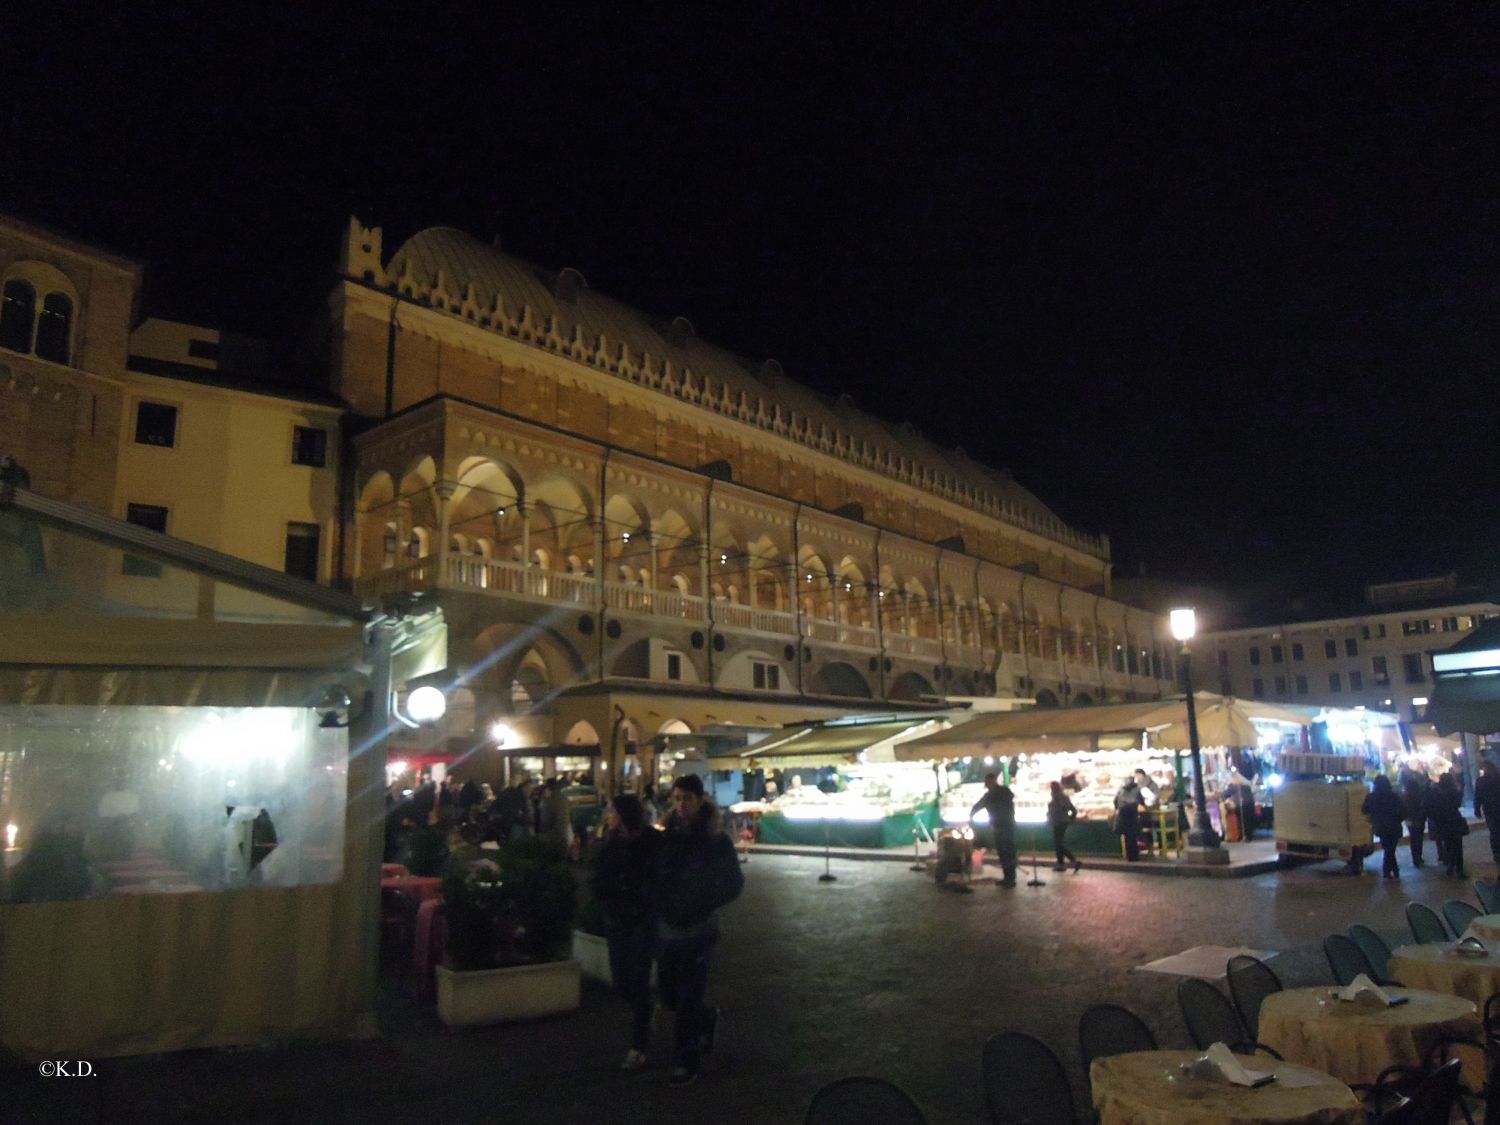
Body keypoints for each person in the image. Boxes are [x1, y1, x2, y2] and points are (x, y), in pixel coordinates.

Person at [652, 774, 744, 1088]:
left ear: (700, 800)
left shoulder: (715, 840)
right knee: (669, 996)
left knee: (689, 995)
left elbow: (733, 883)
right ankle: (706, 1017)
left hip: (699, 929)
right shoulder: (663, 836)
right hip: (667, 928)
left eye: (687, 798)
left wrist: (703, 903)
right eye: (676, 798)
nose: (681, 805)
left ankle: (685, 1059)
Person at [590, 794, 661, 1070]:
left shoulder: (653, 841)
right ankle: (645, 1012)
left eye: (613, 810)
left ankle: (638, 1045)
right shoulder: (610, 842)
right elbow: (598, 875)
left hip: (643, 918)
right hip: (617, 917)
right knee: (621, 981)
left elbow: (659, 876)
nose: (609, 815)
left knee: (640, 979)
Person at [970, 772, 1018, 887]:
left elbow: (977, 807)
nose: (986, 785)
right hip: (1006, 826)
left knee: (1005, 852)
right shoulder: (1002, 792)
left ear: (991, 782)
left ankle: (1009, 878)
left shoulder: (993, 794)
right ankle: (1009, 877)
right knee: (1007, 852)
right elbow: (977, 806)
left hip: (1002, 827)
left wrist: (971, 816)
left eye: (987, 782)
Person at [1362, 775, 1406, 879]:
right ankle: (1392, 870)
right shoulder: (1394, 796)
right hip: (1394, 826)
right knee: (1390, 849)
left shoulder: (1372, 797)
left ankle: (1390, 870)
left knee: (1388, 848)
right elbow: (1403, 811)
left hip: (1381, 827)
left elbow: (1364, 809)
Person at [1426, 772, 1467, 878]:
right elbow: (1458, 802)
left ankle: (1450, 865)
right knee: (1457, 845)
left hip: (1442, 821)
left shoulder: (1436, 792)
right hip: (1454, 819)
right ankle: (1459, 868)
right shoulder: (1454, 791)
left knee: (1447, 844)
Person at [1047, 780, 1081, 873]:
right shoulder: (1064, 797)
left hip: (1058, 822)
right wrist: (1070, 818)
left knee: (1058, 844)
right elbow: (1072, 810)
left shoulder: (1057, 798)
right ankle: (1062, 862)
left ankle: (1070, 861)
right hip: (1062, 822)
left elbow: (1056, 810)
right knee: (1059, 843)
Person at [1401, 769, 1430, 868]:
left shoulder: (1405, 796)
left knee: (1413, 838)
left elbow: (1404, 809)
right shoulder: (1420, 795)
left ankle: (1415, 858)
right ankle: (1419, 856)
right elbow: (1424, 807)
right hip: (1419, 819)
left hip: (1410, 820)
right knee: (1419, 838)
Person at [1114, 775, 1144, 861]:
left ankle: (1129, 856)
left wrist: (1117, 808)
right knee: (1133, 834)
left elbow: (1115, 800)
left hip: (1123, 813)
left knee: (1127, 835)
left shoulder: (1121, 789)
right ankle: (1135, 855)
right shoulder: (1137, 789)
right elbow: (1141, 800)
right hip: (1133, 813)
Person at [1476, 762, 1500, 869]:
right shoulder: (1498, 779)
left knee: (1494, 831)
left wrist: (1477, 810)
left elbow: (1478, 796)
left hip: (1489, 809)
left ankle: (1497, 853)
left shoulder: (1481, 781)